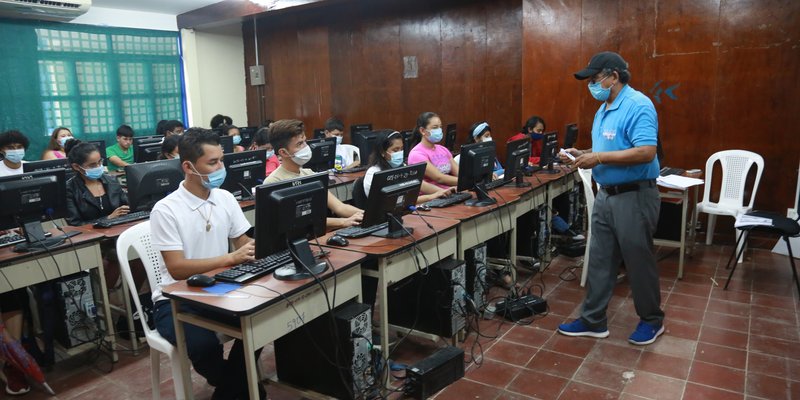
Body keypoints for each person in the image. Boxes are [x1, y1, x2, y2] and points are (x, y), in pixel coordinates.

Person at [557, 51, 664, 345]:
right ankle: (593, 320)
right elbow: (604, 149)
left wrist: (599, 157)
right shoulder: (604, 108)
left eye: (595, 79)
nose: (592, 85)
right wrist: (583, 155)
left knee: (637, 261)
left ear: (613, 76)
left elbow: (646, 152)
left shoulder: (638, 105)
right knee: (600, 260)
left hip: (635, 196)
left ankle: (652, 320)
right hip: (606, 195)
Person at [150, 129, 263, 399]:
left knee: (262, 317)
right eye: (212, 163)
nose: (221, 168)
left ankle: (230, 391)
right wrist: (230, 259)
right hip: (177, 297)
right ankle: (244, 388)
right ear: (188, 167)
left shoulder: (224, 198)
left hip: (220, 288)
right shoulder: (166, 210)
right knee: (203, 346)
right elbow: (176, 268)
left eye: (221, 160)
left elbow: (242, 243)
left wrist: (264, 246)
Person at [265, 119, 363, 229]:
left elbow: (340, 207)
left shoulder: (309, 174)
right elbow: (297, 220)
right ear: (283, 152)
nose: (306, 147)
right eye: (299, 144)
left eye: (305, 141)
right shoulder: (272, 182)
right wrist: (343, 222)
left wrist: (366, 214)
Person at [0, 130, 32, 395]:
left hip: (13, 238)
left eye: (18, 146)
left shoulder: (31, 168)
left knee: (12, 288)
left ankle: (14, 357)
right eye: (9, 147)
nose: (14, 151)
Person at [363, 130, 454, 203]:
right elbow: (397, 202)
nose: (400, 153)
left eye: (401, 149)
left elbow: (420, 184)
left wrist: (443, 191)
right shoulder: (374, 173)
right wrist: (430, 197)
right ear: (382, 152)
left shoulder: (403, 167)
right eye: (395, 150)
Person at [65, 140, 129, 226]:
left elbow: (126, 204)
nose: (98, 167)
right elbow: (75, 224)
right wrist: (108, 219)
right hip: (92, 237)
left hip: (118, 230)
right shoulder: (70, 189)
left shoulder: (111, 180)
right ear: (76, 167)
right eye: (92, 165)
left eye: (100, 162)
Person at [407, 112, 459, 189]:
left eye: (440, 127)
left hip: (452, 191)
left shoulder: (443, 149)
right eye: (435, 127)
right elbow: (439, 178)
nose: (439, 130)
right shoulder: (417, 154)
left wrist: (467, 181)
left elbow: (458, 173)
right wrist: (466, 181)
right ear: (422, 131)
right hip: (434, 196)